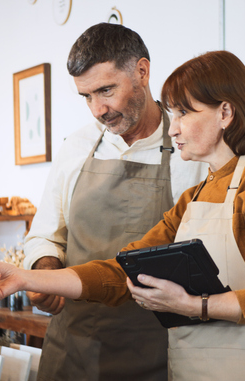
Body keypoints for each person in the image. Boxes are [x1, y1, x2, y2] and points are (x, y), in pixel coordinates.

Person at [0, 50, 245, 381]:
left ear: (225, 113)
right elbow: (122, 270)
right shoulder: (196, 195)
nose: (173, 129)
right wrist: (24, 279)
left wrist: (195, 306)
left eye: (184, 113)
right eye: (173, 115)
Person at [20, 23, 207, 381]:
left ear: (142, 71)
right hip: (73, 350)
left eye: (106, 90)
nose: (97, 109)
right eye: (86, 96)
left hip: (158, 352)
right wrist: (45, 272)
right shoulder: (76, 146)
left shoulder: (191, 150)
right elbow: (45, 234)